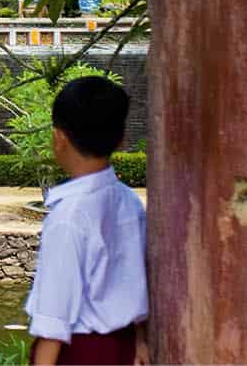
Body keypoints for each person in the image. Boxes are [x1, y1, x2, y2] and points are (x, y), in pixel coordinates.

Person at [25, 76, 149, 365]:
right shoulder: (129, 201)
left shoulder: (67, 217)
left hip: (80, 352)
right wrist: (141, 340)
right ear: (121, 139)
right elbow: (137, 280)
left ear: (59, 139)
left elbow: (53, 323)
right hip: (124, 347)